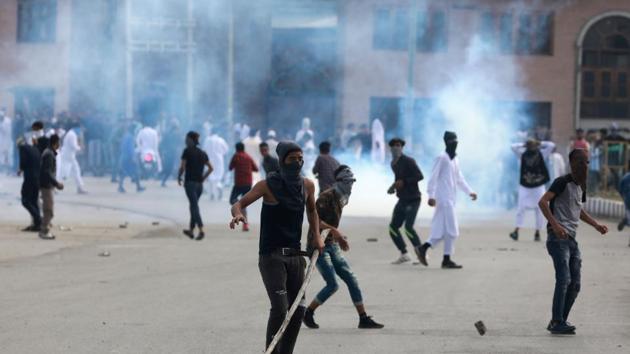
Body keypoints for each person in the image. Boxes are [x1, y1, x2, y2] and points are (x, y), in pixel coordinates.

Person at [229, 141, 324, 354]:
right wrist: (238, 215)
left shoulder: (307, 185)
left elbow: (312, 212)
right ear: (282, 161)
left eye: (300, 159)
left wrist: (317, 236)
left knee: (298, 310)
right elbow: (239, 204)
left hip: (296, 257)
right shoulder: (267, 185)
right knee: (281, 309)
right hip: (272, 257)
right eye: (292, 159)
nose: (298, 163)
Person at [302, 165, 384, 330]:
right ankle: (308, 312)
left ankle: (363, 318)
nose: (350, 186)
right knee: (332, 284)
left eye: (352, 182)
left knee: (351, 279)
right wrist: (335, 232)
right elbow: (314, 222)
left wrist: (338, 237)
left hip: (331, 243)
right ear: (338, 182)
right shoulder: (325, 197)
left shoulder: (343, 198)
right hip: (318, 246)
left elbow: (331, 223)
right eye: (347, 182)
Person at [538, 149, 608, 335]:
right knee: (564, 280)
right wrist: (555, 225)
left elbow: (579, 211)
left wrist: (596, 225)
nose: (583, 165)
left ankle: (560, 320)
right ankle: (556, 321)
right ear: (572, 164)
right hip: (557, 238)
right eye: (579, 162)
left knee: (575, 284)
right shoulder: (562, 182)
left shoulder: (581, 186)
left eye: (585, 162)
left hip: (571, 239)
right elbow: (543, 202)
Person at [418, 131, 477, 269]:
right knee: (452, 230)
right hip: (443, 199)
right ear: (446, 142)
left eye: (455, 141)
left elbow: (459, 179)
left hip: (451, 198)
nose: (454, 144)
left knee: (442, 230)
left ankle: (427, 249)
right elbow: (433, 177)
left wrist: (470, 191)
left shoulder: (455, 159)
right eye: (451, 141)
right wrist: (431, 195)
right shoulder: (441, 158)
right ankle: (443, 257)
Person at [386, 138, 425, 265]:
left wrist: (405, 182)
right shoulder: (393, 163)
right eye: (394, 146)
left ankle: (421, 252)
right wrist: (393, 187)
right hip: (402, 199)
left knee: (408, 227)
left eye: (399, 146)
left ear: (402, 148)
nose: (397, 148)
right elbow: (398, 179)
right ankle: (404, 254)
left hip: (413, 199)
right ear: (390, 148)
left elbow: (420, 176)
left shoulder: (409, 161)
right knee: (393, 228)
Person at [510, 139, 555, 242]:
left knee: (540, 209)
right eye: (530, 145)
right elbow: (513, 147)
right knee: (520, 208)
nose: (532, 147)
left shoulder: (542, 153)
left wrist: (540, 143)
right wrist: (524, 144)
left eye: (533, 145)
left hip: (538, 186)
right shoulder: (522, 154)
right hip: (525, 186)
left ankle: (537, 232)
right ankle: (516, 231)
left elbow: (551, 145)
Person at [178, 131, 213, 241]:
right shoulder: (203, 153)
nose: (185, 141)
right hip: (199, 185)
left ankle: (201, 230)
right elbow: (211, 168)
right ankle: (191, 230)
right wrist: (203, 178)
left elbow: (182, 167)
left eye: (187, 139)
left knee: (194, 206)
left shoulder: (186, 151)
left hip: (190, 183)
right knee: (193, 205)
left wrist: (179, 177)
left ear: (191, 140)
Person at [229, 142, 259, 232]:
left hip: (239, 183)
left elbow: (230, 167)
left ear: (236, 148)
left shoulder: (236, 156)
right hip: (248, 183)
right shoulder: (248, 156)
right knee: (244, 203)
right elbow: (256, 169)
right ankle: (245, 224)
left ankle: (238, 209)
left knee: (233, 200)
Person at [39, 134, 64, 240]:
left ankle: (44, 228)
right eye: (59, 142)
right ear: (56, 143)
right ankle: (44, 230)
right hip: (46, 186)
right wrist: (56, 183)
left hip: (47, 185)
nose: (59, 144)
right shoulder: (49, 154)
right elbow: (47, 172)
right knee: (49, 210)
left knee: (48, 209)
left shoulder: (49, 153)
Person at [17, 133, 41, 232]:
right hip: (37, 179)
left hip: (30, 178)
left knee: (25, 200)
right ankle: (36, 225)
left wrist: (21, 169)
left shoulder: (22, 148)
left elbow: (23, 161)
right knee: (34, 201)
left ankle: (38, 220)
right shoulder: (35, 149)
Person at [58, 122, 87, 194]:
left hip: (69, 156)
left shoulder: (71, 134)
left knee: (75, 171)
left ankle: (80, 187)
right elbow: (74, 146)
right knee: (63, 173)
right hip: (68, 156)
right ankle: (54, 187)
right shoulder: (72, 135)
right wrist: (80, 148)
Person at [118, 123, 145, 193]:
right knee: (136, 171)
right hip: (129, 157)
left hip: (124, 156)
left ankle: (120, 187)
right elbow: (130, 149)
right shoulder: (130, 137)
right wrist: (133, 157)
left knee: (124, 172)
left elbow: (122, 146)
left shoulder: (126, 135)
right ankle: (138, 187)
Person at [203, 128, 229, 201]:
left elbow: (204, 150)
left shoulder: (207, 139)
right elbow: (226, 150)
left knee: (210, 176)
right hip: (219, 160)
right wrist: (220, 154)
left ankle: (212, 194)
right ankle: (219, 186)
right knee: (218, 176)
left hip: (209, 160)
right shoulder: (220, 140)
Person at [159, 119, 181, 187]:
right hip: (170, 153)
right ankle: (162, 180)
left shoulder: (168, 133)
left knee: (167, 167)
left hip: (169, 153)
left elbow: (162, 143)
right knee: (169, 168)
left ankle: (162, 178)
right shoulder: (173, 134)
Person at [0, 108, 13, 173]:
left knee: (8, 154)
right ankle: (1, 168)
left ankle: (8, 169)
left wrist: (3, 129)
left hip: (7, 140)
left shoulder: (8, 121)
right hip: (1, 140)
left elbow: (9, 131)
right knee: (1, 155)